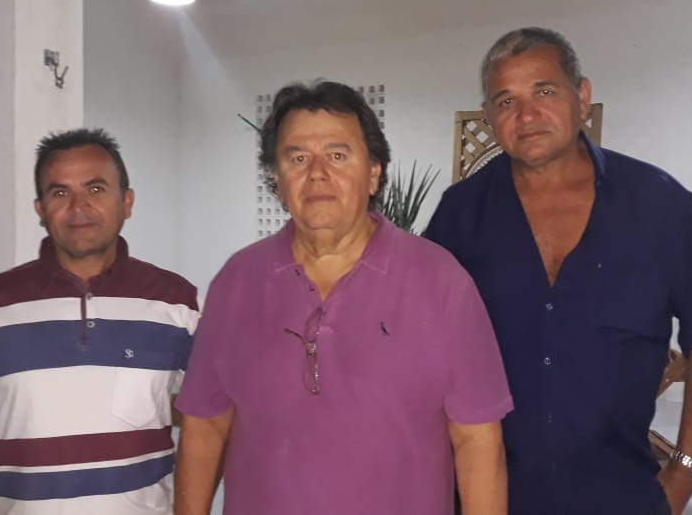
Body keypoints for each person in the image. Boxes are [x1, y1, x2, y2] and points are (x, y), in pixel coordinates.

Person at [425, 27, 692, 515]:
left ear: (582, 96)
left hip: (621, 492)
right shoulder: (460, 214)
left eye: (544, 92)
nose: (527, 115)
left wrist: (685, 472)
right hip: (490, 494)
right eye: (506, 101)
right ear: (489, 116)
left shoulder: (659, 204)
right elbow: (419, 342)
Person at [174, 81, 513, 515]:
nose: (317, 173)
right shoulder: (237, 282)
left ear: (373, 173)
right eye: (298, 158)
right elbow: (205, 426)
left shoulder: (441, 280)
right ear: (277, 180)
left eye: (337, 155)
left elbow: (477, 442)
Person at [0, 128, 199, 514]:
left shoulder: (177, 302)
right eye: (60, 192)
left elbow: (207, 416)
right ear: (40, 209)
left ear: (127, 202)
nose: (79, 207)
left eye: (96, 188)